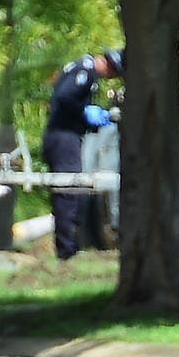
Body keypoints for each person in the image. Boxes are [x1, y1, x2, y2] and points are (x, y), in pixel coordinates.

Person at [42, 48, 123, 260]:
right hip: (63, 136)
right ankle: (66, 251)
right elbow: (64, 96)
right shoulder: (85, 71)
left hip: (65, 135)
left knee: (70, 190)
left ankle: (69, 246)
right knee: (68, 190)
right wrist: (84, 113)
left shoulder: (81, 67)